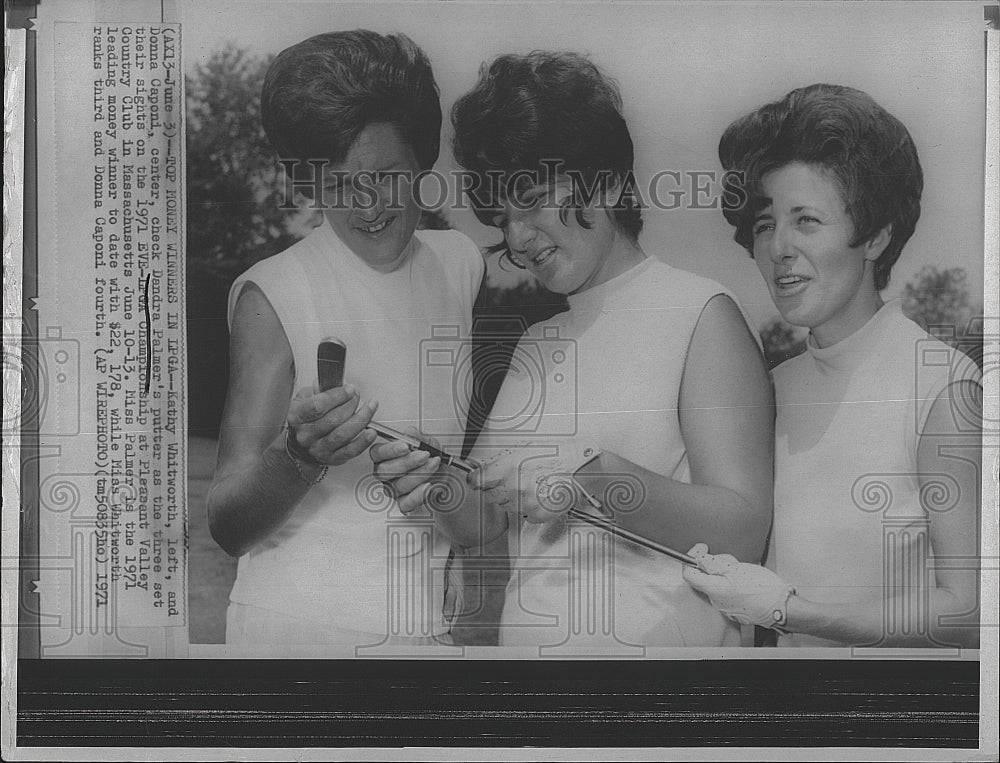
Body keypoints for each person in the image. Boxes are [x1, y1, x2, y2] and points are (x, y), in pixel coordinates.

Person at [372, 52, 774, 649]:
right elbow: (487, 526)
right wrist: (433, 483)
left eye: (531, 199)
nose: (517, 236)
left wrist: (592, 478)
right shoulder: (535, 342)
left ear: (606, 179)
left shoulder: (701, 313)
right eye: (503, 217)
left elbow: (744, 531)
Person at [207, 30, 484, 649]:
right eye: (336, 183)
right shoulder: (271, 294)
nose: (365, 206)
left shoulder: (461, 263)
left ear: (423, 161)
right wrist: (297, 456)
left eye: (385, 175)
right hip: (298, 633)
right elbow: (227, 523)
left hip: (427, 635)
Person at [683, 83, 982, 648]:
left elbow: (967, 609)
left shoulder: (943, 385)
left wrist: (796, 613)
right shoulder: (772, 387)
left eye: (807, 221)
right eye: (766, 224)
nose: (778, 249)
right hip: (779, 717)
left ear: (875, 236)